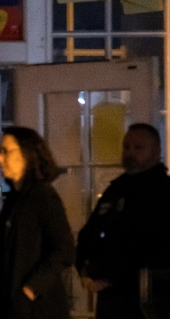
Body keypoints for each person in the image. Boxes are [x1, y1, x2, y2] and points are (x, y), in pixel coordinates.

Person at [75, 123, 170, 319]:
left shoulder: (163, 192)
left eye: (138, 148)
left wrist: (109, 275)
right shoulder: (116, 189)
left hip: (146, 302)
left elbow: (153, 246)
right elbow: (90, 232)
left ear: (156, 152)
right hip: (110, 300)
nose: (130, 153)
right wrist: (84, 268)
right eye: (126, 147)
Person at [0, 126, 74, 319]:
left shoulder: (42, 196)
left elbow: (65, 249)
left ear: (27, 154)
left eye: (5, 151)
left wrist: (31, 288)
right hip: (14, 309)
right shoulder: (14, 201)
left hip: (38, 310)